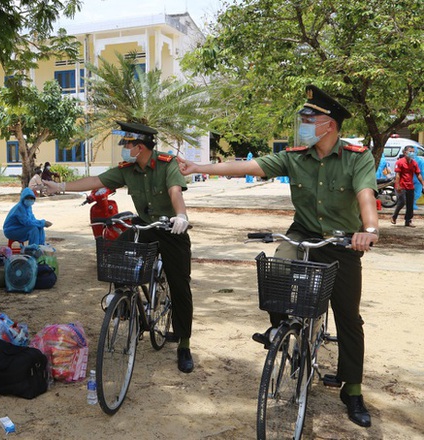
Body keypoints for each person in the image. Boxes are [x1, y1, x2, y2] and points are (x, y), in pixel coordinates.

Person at [178, 85, 378, 427]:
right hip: (302, 232)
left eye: (309, 117)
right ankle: (278, 328)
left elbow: (366, 198)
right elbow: (246, 167)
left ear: (329, 125)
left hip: (343, 240)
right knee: (277, 267)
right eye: (303, 117)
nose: (302, 122)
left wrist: (369, 231)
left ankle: (353, 389)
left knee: (348, 316)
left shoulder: (357, 158)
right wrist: (199, 166)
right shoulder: (294, 156)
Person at [44, 121, 195, 373]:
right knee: (118, 254)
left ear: (140, 146)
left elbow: (175, 192)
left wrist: (181, 216)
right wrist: (59, 187)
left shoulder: (167, 164)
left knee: (180, 285)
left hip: (170, 228)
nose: (124, 148)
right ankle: (123, 299)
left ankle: (184, 344)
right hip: (145, 225)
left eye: (127, 144)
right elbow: (96, 180)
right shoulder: (128, 169)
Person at [390, 145, 424, 227]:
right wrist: (397, 185)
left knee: (410, 204)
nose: (412, 153)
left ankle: (408, 220)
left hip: (410, 186)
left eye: (413, 151)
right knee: (401, 202)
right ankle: (394, 216)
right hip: (401, 186)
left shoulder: (414, 163)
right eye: (410, 151)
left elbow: (418, 174)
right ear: (405, 152)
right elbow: (397, 175)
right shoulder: (400, 162)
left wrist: (423, 183)